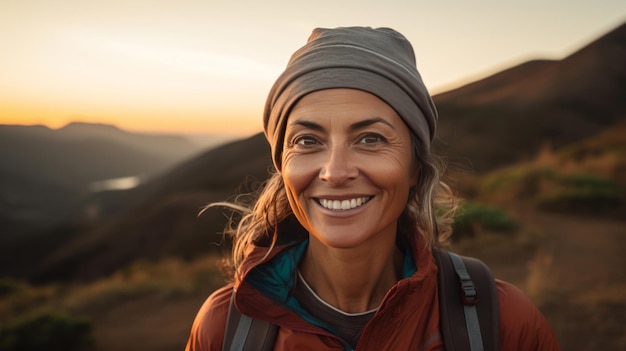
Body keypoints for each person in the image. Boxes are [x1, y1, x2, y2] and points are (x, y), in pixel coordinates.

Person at [185, 26, 559, 350]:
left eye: (370, 139)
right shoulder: (225, 328)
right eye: (307, 141)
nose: (335, 171)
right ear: (283, 164)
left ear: (415, 166)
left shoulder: (501, 323)